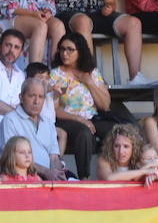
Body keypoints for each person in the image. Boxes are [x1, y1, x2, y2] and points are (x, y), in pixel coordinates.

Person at [50, 33, 136, 177]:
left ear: (81, 51)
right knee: (84, 132)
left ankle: (122, 173)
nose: (65, 53)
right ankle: (84, 178)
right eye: (62, 49)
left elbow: (105, 105)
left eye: (70, 49)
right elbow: (55, 109)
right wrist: (80, 119)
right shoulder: (55, 75)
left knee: (119, 131)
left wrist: (89, 82)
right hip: (67, 120)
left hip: (94, 117)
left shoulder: (92, 73)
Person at [0, 78, 68, 180]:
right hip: (21, 178)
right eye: (32, 96)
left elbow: (54, 157)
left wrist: (58, 172)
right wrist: (46, 172)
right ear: (21, 97)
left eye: (41, 97)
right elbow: (12, 158)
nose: (36, 101)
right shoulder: (10, 120)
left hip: (48, 176)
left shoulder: (48, 122)